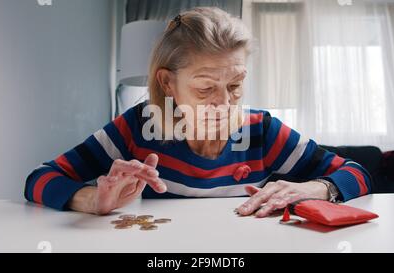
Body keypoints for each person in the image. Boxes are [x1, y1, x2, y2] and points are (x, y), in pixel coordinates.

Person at [24, 7, 372, 217]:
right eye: (205, 88)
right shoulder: (137, 126)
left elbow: (358, 173)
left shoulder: (263, 130)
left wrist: (320, 188)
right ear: (168, 83)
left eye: (235, 85)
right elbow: (39, 178)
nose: (225, 103)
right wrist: (92, 200)